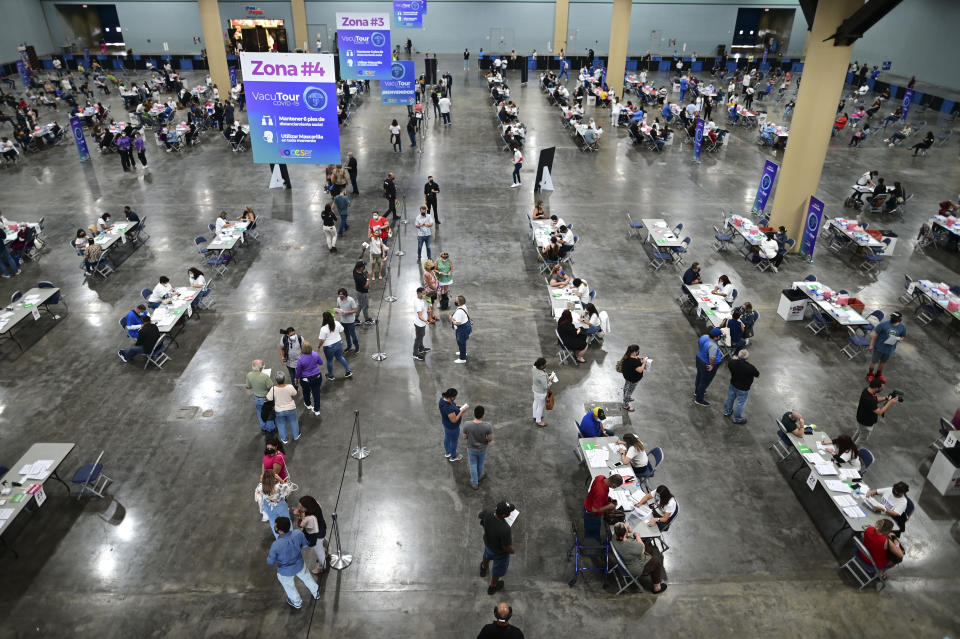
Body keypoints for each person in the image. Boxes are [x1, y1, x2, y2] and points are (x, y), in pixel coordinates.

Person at [266, 516, 320, 609]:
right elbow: (305, 545)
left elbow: (270, 561)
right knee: (307, 577)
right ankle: (316, 592)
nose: (275, 527)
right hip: (299, 564)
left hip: (285, 571)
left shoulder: (276, 545)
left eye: (276, 527)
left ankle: (296, 602)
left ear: (280, 531)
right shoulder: (298, 533)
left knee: (289, 586)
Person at [611, 522, 667, 593]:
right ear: (625, 533)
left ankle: (653, 572)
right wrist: (637, 536)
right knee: (657, 563)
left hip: (626, 559)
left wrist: (626, 526)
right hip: (635, 567)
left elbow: (626, 534)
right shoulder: (630, 544)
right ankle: (657, 588)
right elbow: (642, 549)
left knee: (650, 549)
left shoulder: (614, 537)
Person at [478, 501, 516, 595]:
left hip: (488, 543)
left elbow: (480, 516)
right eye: (509, 512)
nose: (510, 513)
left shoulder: (489, 511)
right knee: (497, 571)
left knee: (486, 555)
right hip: (499, 553)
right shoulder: (505, 529)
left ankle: (483, 568)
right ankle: (493, 586)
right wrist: (512, 551)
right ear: (504, 515)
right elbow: (506, 547)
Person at [854, 378, 899, 444]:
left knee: (859, 432)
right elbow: (880, 412)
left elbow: (875, 399)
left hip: (861, 418)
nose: (882, 389)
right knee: (862, 439)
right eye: (881, 388)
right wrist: (890, 402)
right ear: (876, 388)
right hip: (866, 422)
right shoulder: (869, 400)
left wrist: (885, 398)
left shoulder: (867, 390)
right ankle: (853, 451)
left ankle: (849, 444)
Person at [255, 468, 294, 538]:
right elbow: (288, 489)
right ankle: (290, 535)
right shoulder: (278, 487)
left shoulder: (260, 487)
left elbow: (257, 498)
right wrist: (280, 480)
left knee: (273, 521)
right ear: (274, 478)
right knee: (286, 520)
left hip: (268, 506)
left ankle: (278, 538)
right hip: (280, 504)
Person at [293, 495, 328, 574]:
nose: (299, 508)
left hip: (316, 535)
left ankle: (323, 567)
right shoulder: (316, 505)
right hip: (322, 528)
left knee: (319, 552)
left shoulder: (310, 518)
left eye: (301, 507)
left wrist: (298, 516)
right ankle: (329, 551)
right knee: (323, 539)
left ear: (307, 507)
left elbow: (301, 525)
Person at [867, 312, 906, 382]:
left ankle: (878, 375)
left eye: (895, 318)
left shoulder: (902, 327)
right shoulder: (883, 325)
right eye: (892, 317)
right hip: (879, 347)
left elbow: (903, 336)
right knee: (874, 361)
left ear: (899, 319)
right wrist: (871, 345)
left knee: (883, 362)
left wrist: (900, 339)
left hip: (889, 349)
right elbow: (875, 336)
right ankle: (870, 374)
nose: (893, 319)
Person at [722, 350, 759, 424]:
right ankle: (737, 419)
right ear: (747, 358)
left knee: (730, 398)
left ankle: (727, 411)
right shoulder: (750, 367)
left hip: (733, 384)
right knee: (740, 403)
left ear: (738, 356)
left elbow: (731, 365)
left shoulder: (732, 363)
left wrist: (735, 360)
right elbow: (758, 375)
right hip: (743, 388)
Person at [463, 406, 494, 490]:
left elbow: (464, 437)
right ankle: (480, 476)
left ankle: (474, 483)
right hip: (482, 449)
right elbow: (490, 439)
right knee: (480, 463)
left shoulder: (467, 424)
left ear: (473, 413)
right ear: (483, 415)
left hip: (471, 449)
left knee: (473, 464)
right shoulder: (487, 426)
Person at [266, 371, 299, 444]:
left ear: (276, 380)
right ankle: (296, 436)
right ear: (284, 379)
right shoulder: (290, 386)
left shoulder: (273, 389)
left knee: (281, 424)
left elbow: (268, 399)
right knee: (294, 422)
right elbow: (295, 395)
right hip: (291, 409)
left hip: (279, 410)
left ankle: (284, 439)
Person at [317, 311, 352, 380]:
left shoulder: (323, 328)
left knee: (329, 361)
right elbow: (342, 330)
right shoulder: (337, 323)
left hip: (329, 347)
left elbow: (322, 340)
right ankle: (348, 371)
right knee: (340, 357)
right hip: (339, 343)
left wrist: (319, 347)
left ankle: (331, 375)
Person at [694, 327, 724, 406]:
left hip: (699, 359)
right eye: (719, 336)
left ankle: (697, 392)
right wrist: (712, 365)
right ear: (716, 337)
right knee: (704, 382)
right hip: (706, 364)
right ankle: (699, 399)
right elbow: (712, 358)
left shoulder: (704, 337)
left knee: (699, 376)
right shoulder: (713, 345)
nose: (720, 337)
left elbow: (700, 345)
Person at [246, 359, 276, 433]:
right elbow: (271, 387)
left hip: (256, 398)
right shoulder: (265, 376)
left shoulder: (249, 375)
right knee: (269, 413)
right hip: (266, 399)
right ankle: (270, 429)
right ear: (261, 368)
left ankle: (263, 427)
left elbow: (248, 387)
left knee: (260, 412)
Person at [294, 342, 323, 417]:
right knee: (316, 393)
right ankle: (317, 410)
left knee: (306, 392)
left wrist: (296, 378)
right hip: (317, 377)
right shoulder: (315, 354)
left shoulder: (300, 359)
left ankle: (308, 404)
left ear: (302, 349)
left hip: (305, 380)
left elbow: (298, 372)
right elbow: (321, 363)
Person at [439, 388, 468, 462]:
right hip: (452, 428)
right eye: (455, 397)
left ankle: (447, 453)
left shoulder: (443, 399)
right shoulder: (448, 408)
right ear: (451, 397)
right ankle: (453, 457)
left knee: (447, 437)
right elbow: (454, 420)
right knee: (454, 442)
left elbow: (452, 406)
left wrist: (457, 407)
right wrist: (461, 411)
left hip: (446, 424)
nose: (455, 398)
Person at [617, 344, 647, 412]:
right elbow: (640, 370)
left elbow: (633, 361)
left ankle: (628, 397)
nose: (638, 352)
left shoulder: (627, 357)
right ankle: (625, 405)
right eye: (637, 351)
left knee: (627, 387)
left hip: (628, 377)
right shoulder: (634, 362)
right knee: (629, 391)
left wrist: (638, 358)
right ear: (634, 352)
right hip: (633, 379)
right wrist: (644, 363)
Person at [335, 288, 360, 353]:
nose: (340, 296)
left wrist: (346, 312)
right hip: (343, 321)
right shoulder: (338, 299)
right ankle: (349, 346)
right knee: (346, 335)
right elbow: (338, 307)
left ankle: (357, 347)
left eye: (341, 295)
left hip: (350, 321)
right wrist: (337, 311)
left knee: (353, 335)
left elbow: (355, 310)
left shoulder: (351, 300)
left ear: (345, 294)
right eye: (339, 294)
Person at [451, 295, 472, 363]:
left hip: (462, 328)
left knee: (461, 342)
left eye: (456, 300)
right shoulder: (463, 306)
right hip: (465, 326)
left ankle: (462, 359)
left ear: (459, 302)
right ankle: (462, 352)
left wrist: (452, 319)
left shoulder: (459, 312)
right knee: (460, 341)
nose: (455, 301)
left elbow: (458, 323)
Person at [531, 357, 550, 427]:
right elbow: (546, 386)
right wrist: (550, 381)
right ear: (541, 366)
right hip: (541, 393)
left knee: (535, 402)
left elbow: (541, 374)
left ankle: (535, 416)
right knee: (541, 406)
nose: (546, 365)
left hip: (535, 390)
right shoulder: (541, 375)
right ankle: (538, 421)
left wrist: (547, 376)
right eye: (545, 364)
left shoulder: (534, 368)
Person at [412, 287, 430, 361]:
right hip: (420, 324)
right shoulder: (418, 303)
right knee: (418, 338)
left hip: (421, 323)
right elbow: (420, 316)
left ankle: (421, 348)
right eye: (423, 293)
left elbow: (422, 311)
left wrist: (427, 311)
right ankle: (415, 354)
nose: (424, 294)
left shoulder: (420, 299)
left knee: (421, 336)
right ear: (419, 293)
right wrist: (426, 321)